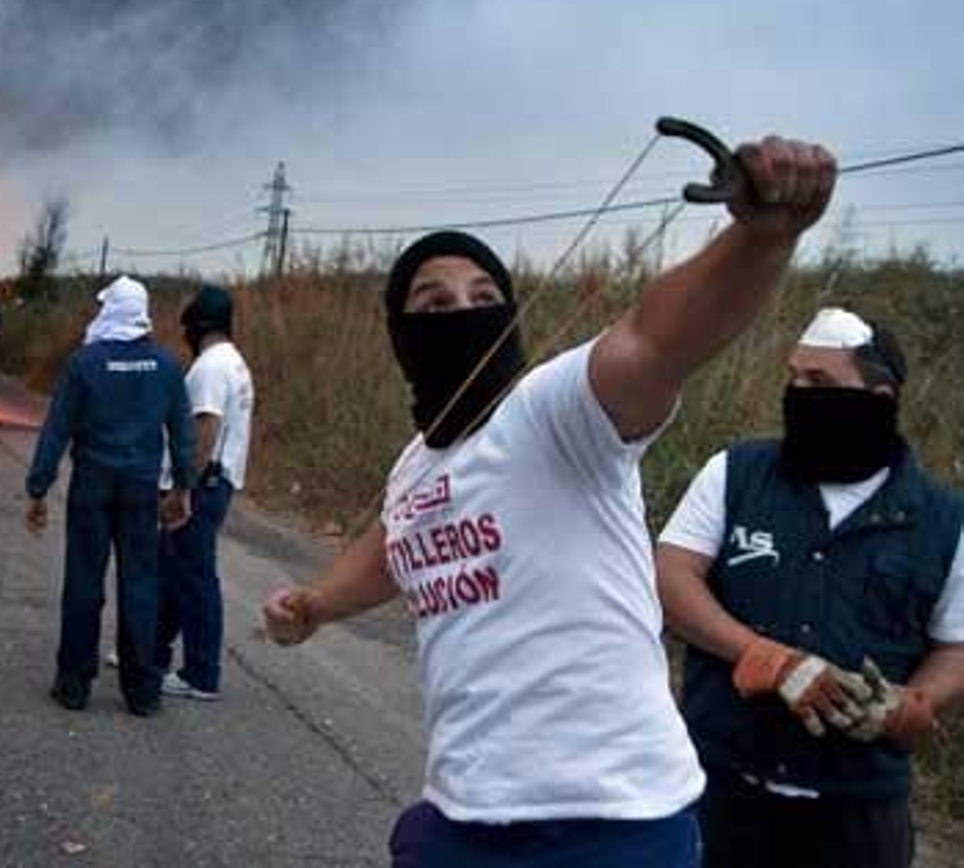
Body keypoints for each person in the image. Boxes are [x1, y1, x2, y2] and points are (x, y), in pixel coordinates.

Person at [261, 133, 839, 867]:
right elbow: (396, 544)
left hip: (611, 822)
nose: (462, 312)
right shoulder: (416, 464)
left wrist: (758, 239)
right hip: (461, 812)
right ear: (402, 335)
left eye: (483, 297)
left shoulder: (556, 412)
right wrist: (314, 605)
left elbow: (656, 341)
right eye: (433, 302)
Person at [656, 306, 964, 868]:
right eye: (793, 377)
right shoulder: (735, 473)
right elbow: (672, 577)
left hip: (857, 816)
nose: (799, 392)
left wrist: (911, 702)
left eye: (820, 382)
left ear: (881, 398)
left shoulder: (946, 520)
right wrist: (762, 656)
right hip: (717, 788)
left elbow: (955, 646)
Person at [25, 275, 196, 716]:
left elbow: (57, 429)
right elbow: (182, 434)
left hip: (93, 486)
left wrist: (38, 488)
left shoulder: (84, 363)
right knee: (141, 584)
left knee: (84, 581)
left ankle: (74, 684)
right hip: (141, 490)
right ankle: (142, 691)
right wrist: (182, 487)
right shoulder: (166, 366)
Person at [155, 284, 255, 702]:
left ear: (198, 325)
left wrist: (182, 488)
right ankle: (148, 651)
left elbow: (205, 427)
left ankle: (201, 674)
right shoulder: (234, 362)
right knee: (175, 569)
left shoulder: (211, 367)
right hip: (218, 481)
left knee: (195, 578)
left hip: (203, 483)